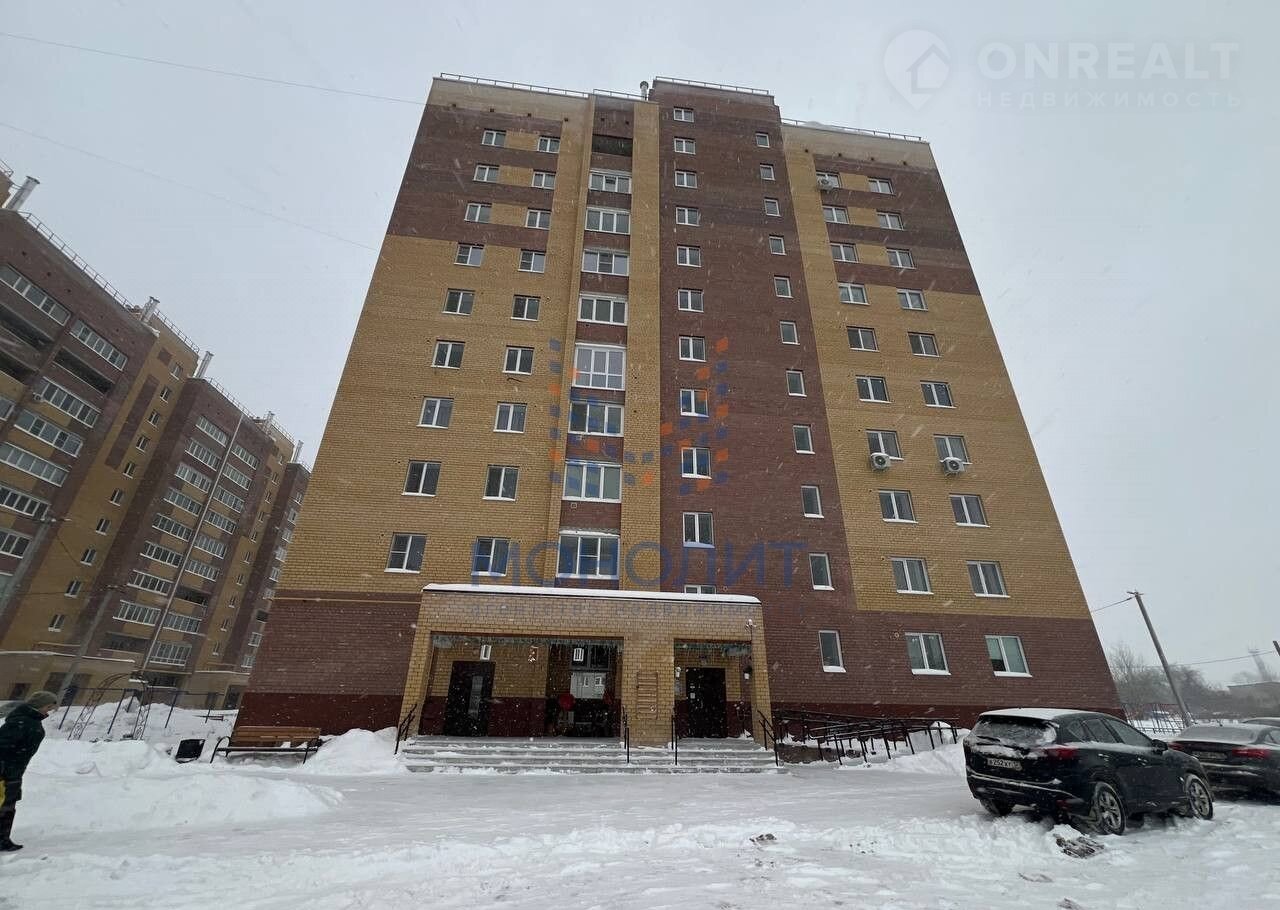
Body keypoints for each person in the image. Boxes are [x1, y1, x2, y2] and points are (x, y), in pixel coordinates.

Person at [0, 690, 59, 853]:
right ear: (39, 705)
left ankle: (3, 839)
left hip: (14, 770)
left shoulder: (28, 720)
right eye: (48, 707)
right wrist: (5, 769)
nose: (49, 711)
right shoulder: (22, 721)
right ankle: (2, 840)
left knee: (8, 804)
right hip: (7, 771)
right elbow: (2, 746)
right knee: (6, 805)